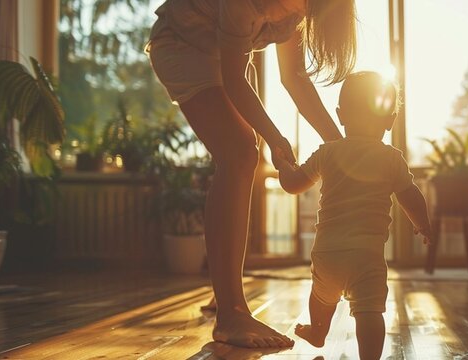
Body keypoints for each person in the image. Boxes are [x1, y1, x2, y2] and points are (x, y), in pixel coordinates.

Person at [146, 0, 357, 349]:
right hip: (181, 43)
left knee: (242, 154)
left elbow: (295, 78)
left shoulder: (296, 12)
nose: (301, 12)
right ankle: (230, 313)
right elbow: (232, 80)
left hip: (223, 55)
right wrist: (276, 139)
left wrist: (339, 145)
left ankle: (223, 290)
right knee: (241, 152)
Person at [275, 71, 434, 360]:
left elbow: (293, 184)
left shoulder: (327, 153)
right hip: (367, 256)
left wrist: (283, 165)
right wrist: (422, 223)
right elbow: (409, 194)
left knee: (321, 297)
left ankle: (318, 331)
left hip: (328, 253)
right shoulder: (391, 158)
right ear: (390, 120)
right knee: (370, 311)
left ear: (340, 115)